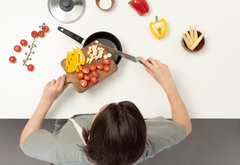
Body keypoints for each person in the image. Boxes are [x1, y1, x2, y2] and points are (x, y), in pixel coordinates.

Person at [19, 57, 192, 165]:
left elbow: (26, 141)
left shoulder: (63, 151)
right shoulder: (145, 146)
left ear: (91, 130)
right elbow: (184, 126)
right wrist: (168, 83)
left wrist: (46, 100)